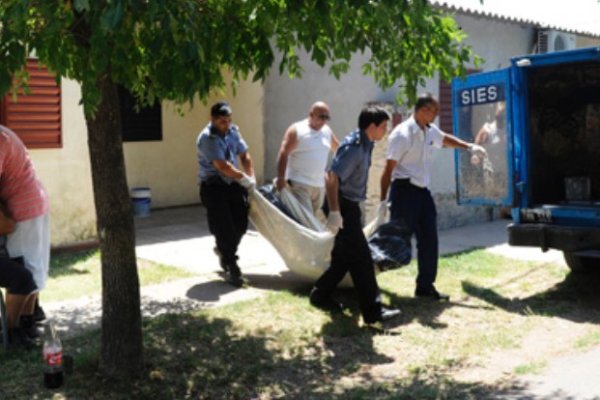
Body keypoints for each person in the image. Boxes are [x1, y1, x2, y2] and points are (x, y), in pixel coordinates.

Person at [379, 93, 487, 301]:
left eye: (437, 111)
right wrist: (383, 202)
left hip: (422, 193)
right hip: (404, 192)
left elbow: (444, 139)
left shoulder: (428, 130)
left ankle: (425, 287)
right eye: (433, 110)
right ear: (422, 110)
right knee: (396, 242)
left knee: (429, 239)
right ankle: (366, 277)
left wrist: (468, 147)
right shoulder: (402, 134)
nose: (437, 114)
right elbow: (388, 170)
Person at [309, 106, 401, 327]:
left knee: (342, 258)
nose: (386, 131)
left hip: (349, 205)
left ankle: (319, 295)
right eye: (383, 127)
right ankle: (373, 312)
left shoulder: (367, 143)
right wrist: (334, 212)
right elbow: (332, 178)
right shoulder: (355, 147)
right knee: (362, 259)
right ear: (372, 126)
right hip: (341, 205)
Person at [197, 101, 256, 287]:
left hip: (233, 183)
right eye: (223, 121)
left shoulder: (233, 131)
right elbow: (222, 166)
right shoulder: (207, 138)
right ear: (212, 119)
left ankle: (224, 250)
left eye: (229, 120)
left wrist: (250, 177)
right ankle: (232, 265)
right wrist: (243, 178)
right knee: (224, 227)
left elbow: (244, 154)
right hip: (214, 186)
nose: (227, 124)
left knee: (241, 224)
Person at [0, 124, 50, 340]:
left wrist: (5, 223)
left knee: (25, 270)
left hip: (22, 211)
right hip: (32, 204)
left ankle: (16, 328)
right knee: (30, 267)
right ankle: (25, 323)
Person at [275, 101, 339, 217]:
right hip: (300, 183)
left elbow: (338, 150)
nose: (324, 121)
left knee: (311, 219)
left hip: (319, 185)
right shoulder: (297, 130)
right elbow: (283, 153)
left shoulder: (327, 131)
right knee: (305, 221)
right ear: (311, 114)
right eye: (321, 117)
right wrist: (281, 178)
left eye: (327, 117)